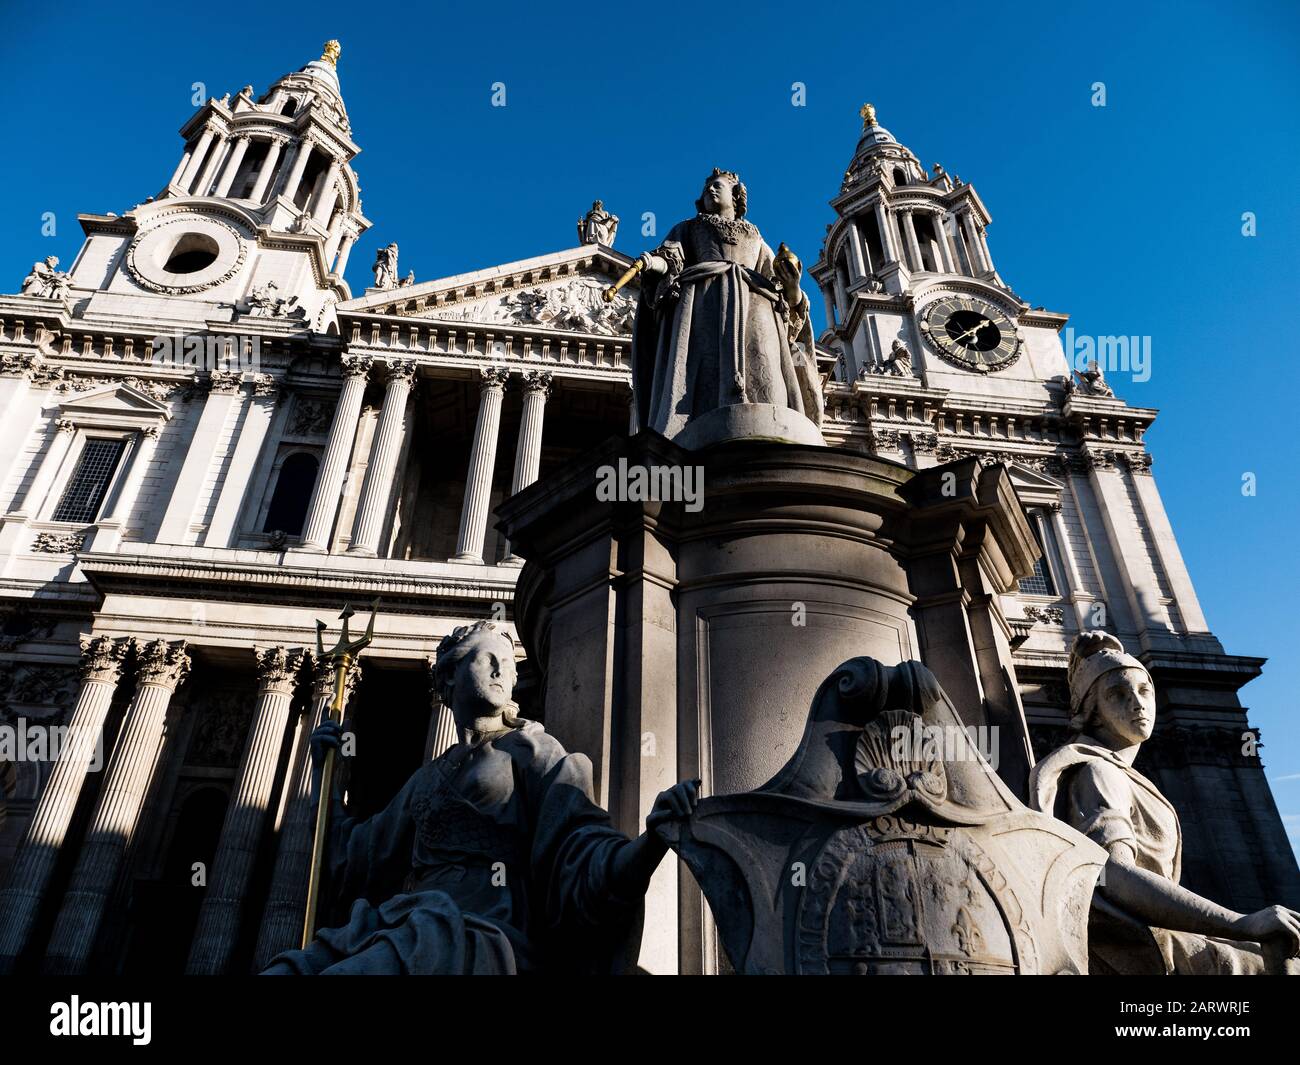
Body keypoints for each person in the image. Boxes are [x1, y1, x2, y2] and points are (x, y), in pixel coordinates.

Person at [263, 620, 698, 974]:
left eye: (508, 665)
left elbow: (582, 851)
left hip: (478, 933)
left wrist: (650, 843)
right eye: (488, 659)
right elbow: (356, 858)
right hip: (403, 923)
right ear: (450, 675)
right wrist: (326, 776)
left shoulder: (534, 751)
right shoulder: (427, 778)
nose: (501, 672)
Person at [1030, 631, 1300, 974]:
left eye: (1144, 691)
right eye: (1118, 694)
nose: (1137, 704)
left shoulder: (1121, 773)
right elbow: (1112, 875)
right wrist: (1239, 923)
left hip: (1150, 932)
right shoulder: (1099, 771)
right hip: (1129, 943)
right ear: (1092, 712)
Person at [630, 168, 822, 440]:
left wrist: (793, 287)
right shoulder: (688, 227)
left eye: (717, 186)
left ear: (736, 195)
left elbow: (779, 286)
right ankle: (701, 427)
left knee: (764, 362)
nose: (710, 191)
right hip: (703, 302)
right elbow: (671, 259)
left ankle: (768, 423)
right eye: (706, 188)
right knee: (704, 367)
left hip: (756, 303)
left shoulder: (755, 236)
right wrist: (653, 263)